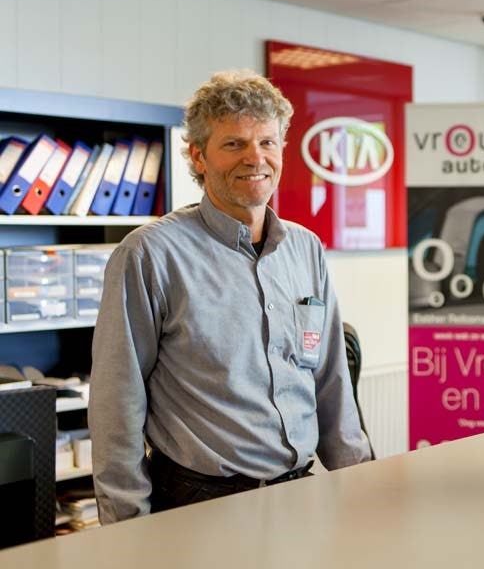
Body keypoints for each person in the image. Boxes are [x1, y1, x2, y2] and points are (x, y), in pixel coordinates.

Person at [89, 70, 372, 524]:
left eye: (267, 142)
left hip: (300, 492)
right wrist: (125, 526)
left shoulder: (306, 248)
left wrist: (361, 486)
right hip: (200, 501)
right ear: (198, 156)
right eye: (234, 144)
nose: (255, 158)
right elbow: (116, 400)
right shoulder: (150, 254)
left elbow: (331, 380)